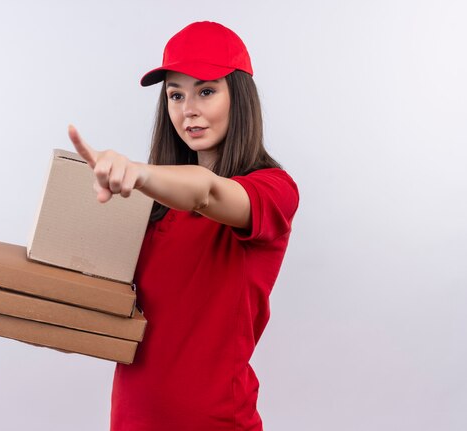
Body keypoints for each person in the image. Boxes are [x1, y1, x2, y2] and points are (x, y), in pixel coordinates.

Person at [68, 21, 299, 431]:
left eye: (206, 91)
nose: (187, 109)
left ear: (239, 97)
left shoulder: (272, 190)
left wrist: (140, 173)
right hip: (132, 417)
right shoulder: (151, 207)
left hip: (216, 422)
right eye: (176, 95)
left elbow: (208, 192)